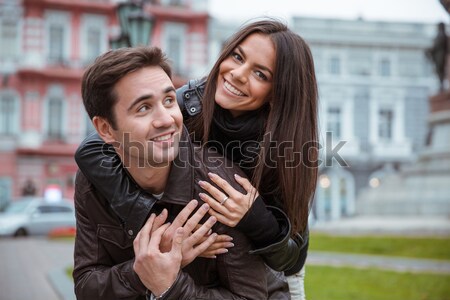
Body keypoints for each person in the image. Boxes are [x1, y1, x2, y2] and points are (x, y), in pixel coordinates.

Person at [76, 18, 318, 300]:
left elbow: (292, 257)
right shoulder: (188, 102)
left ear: (279, 94)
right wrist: (162, 226)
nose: (238, 74)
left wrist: (255, 217)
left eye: (260, 74)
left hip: (271, 273)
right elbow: (91, 149)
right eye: (237, 56)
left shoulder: (287, 150)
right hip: (201, 258)